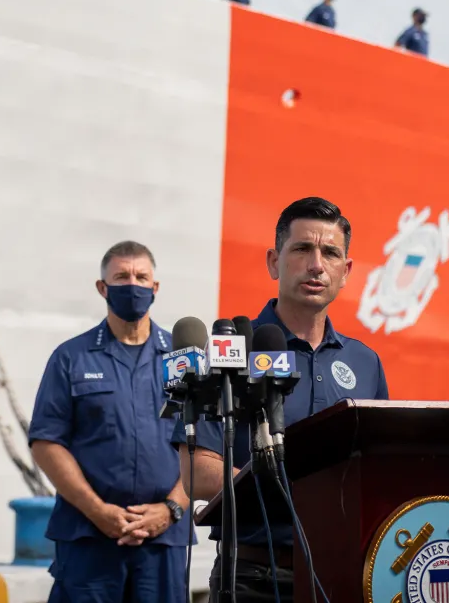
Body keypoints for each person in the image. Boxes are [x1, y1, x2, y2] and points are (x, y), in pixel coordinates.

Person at [175, 197, 390, 602]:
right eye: (302, 249)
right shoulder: (229, 351)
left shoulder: (365, 362)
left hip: (346, 578)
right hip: (254, 578)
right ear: (274, 262)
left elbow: (381, 467)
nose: (316, 265)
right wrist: (277, 486)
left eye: (330, 253)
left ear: (345, 272)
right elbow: (196, 468)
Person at [29, 241, 191, 603]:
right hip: (89, 538)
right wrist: (97, 510)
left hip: (163, 541)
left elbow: (205, 444)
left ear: (155, 287)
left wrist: (171, 509)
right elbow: (46, 441)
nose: (132, 284)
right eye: (121, 276)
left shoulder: (185, 362)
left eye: (141, 276)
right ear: (102, 288)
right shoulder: (70, 357)